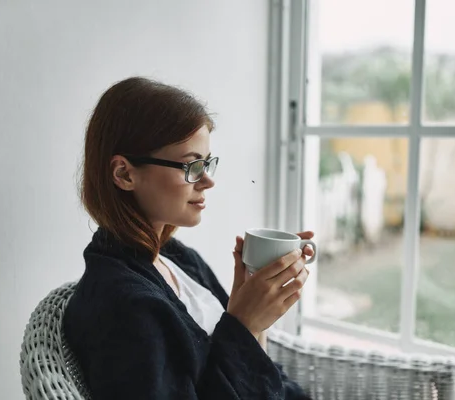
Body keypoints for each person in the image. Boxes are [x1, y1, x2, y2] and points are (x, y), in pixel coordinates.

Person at [63, 77, 314, 399]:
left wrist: (251, 316)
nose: (207, 181)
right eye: (192, 165)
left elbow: (248, 371)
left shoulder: (177, 258)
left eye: (207, 163)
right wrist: (245, 325)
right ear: (124, 174)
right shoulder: (125, 307)